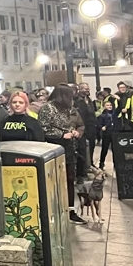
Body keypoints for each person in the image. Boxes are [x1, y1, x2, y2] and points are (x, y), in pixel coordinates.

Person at [39, 84, 87, 225]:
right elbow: (43, 128)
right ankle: (56, 209)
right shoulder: (48, 108)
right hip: (54, 148)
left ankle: (70, 210)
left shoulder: (66, 108)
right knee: (56, 180)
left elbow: (69, 124)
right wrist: (61, 135)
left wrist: (72, 131)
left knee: (69, 179)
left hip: (69, 148)